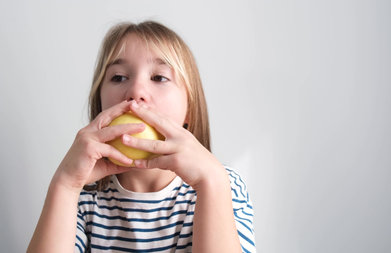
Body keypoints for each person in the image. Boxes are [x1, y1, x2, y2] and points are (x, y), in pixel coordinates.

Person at [27, 20, 256, 253]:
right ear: (100, 106)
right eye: (118, 77)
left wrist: (211, 183)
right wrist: (65, 185)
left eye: (159, 77)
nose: (136, 91)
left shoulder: (221, 184)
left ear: (190, 111)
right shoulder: (83, 196)